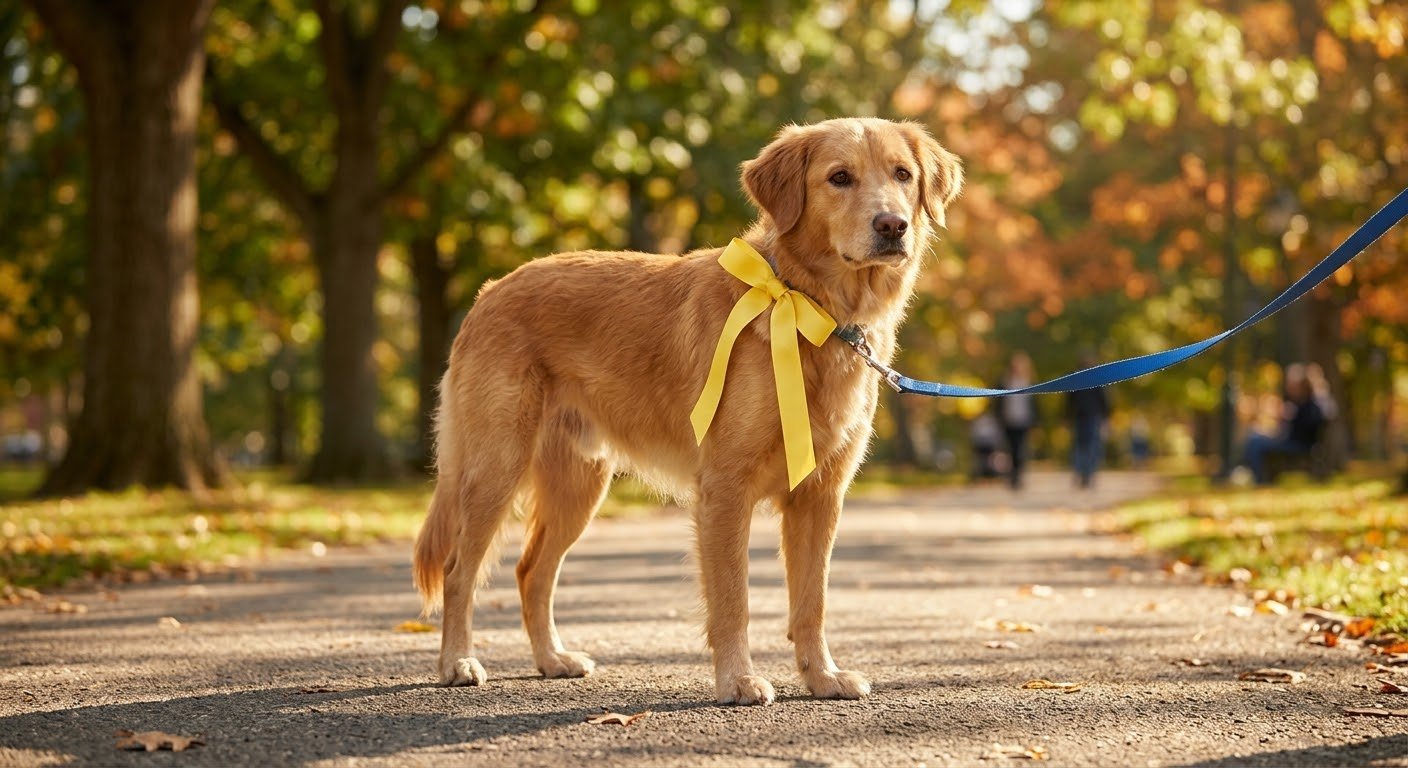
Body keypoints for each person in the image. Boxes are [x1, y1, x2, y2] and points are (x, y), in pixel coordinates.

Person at [1241, 364, 1326, 485]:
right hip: (1293, 442)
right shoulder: (1298, 405)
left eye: (1293, 386)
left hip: (1299, 445)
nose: (1289, 388)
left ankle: (1260, 479)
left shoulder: (1309, 407)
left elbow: (1300, 431)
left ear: (1302, 387)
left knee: (1255, 443)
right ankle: (1258, 475)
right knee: (1255, 437)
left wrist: (1291, 418)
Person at [1065, 354, 1110, 489]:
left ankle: (1086, 474)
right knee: (1085, 447)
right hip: (1084, 417)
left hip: (1089, 417)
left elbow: (1103, 400)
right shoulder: (1080, 380)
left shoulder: (1093, 380)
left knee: (1086, 447)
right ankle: (1084, 474)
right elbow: (1069, 400)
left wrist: (1105, 417)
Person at [994, 352, 1037, 490]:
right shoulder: (1005, 382)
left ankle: (1018, 476)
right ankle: (1012, 476)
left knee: (1020, 450)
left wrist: (1035, 422)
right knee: (1010, 450)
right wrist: (999, 418)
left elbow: (1034, 405)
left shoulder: (1029, 383)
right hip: (1008, 421)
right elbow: (997, 403)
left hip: (1023, 421)